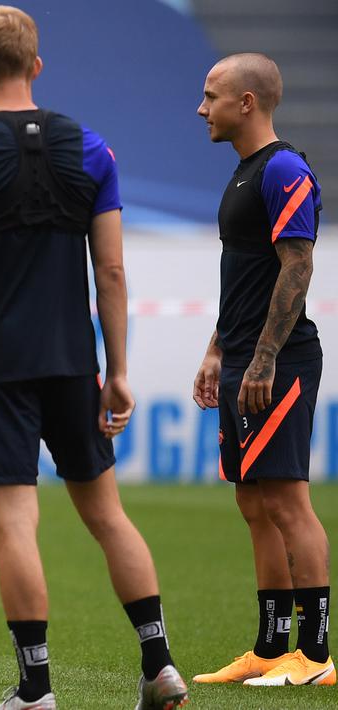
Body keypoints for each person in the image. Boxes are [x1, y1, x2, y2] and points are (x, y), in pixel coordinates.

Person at [0, 6, 188, 709]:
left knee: (14, 522)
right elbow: (112, 272)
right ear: (36, 66)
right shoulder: (92, 150)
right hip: (75, 363)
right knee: (107, 516)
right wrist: (117, 369)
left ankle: (35, 689)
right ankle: (159, 666)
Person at [190, 52, 332, 687]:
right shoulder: (246, 173)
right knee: (252, 501)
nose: (202, 108)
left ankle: (318, 653)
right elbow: (246, 276)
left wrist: (265, 357)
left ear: (247, 102)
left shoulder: (284, 170)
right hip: (243, 359)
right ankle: (272, 646)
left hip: (280, 360)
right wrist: (219, 348)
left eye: (212, 96)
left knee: (286, 500)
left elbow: (296, 266)